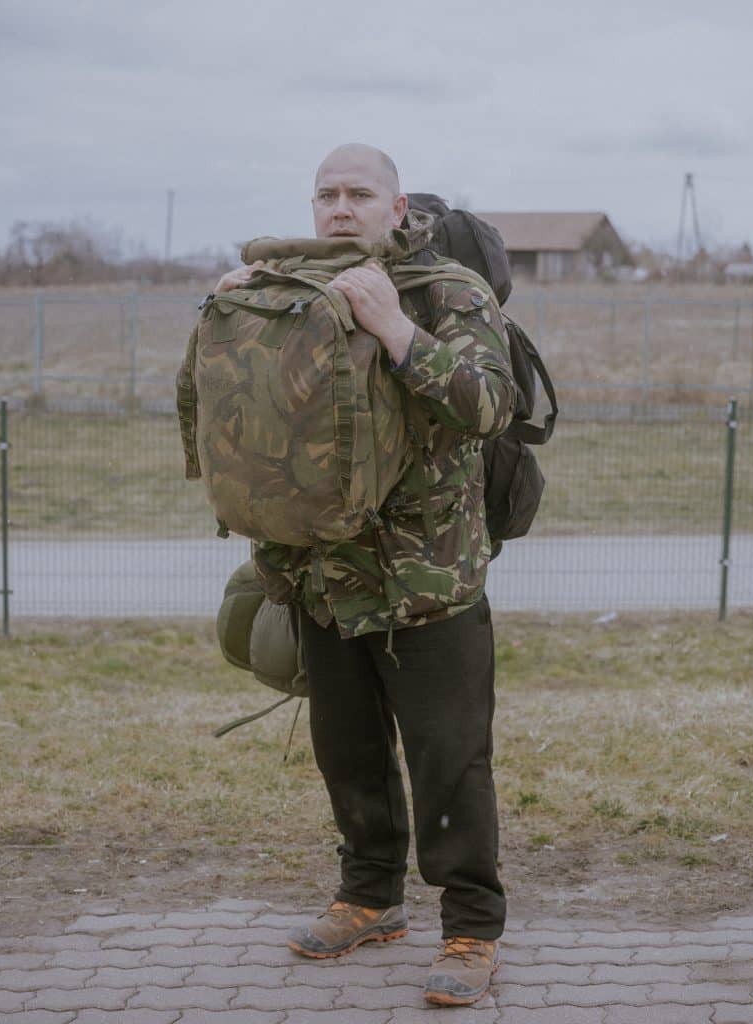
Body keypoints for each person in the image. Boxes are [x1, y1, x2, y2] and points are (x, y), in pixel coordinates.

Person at [216, 143, 517, 1007]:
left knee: (449, 762)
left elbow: (487, 405)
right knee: (346, 755)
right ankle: (368, 896)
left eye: (359, 194)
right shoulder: (280, 293)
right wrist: (225, 320)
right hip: (324, 576)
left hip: (429, 582)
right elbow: (231, 421)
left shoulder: (446, 292)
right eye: (326, 194)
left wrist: (395, 328)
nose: (339, 207)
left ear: (396, 207)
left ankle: (469, 927)